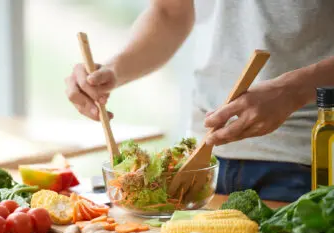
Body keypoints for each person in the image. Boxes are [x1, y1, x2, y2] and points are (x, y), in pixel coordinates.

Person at [64, 0, 334, 202]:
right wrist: (112, 71)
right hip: (203, 162)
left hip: (308, 161)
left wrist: (294, 91)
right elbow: (171, 12)